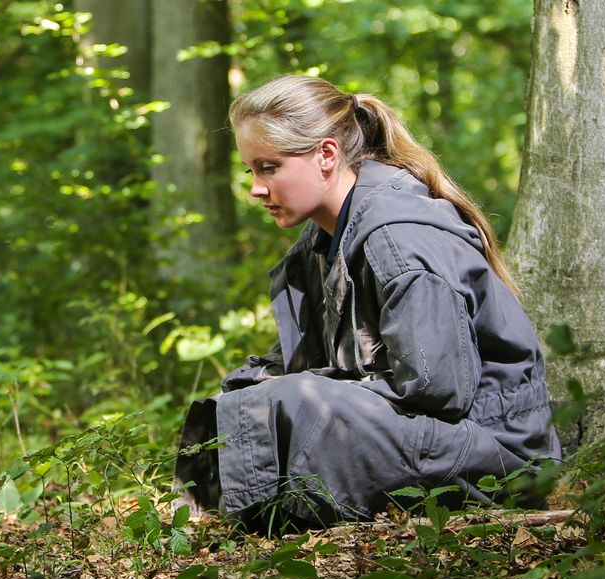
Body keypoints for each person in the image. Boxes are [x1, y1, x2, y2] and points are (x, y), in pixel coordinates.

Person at [175, 75, 561, 533]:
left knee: (293, 400)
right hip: (432, 437)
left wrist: (306, 389)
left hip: (498, 456)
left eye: (269, 168)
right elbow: (305, 361)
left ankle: (250, 527)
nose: (256, 189)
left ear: (326, 155)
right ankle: (202, 525)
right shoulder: (323, 241)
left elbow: (439, 391)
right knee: (243, 399)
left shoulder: (398, 237)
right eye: (250, 172)